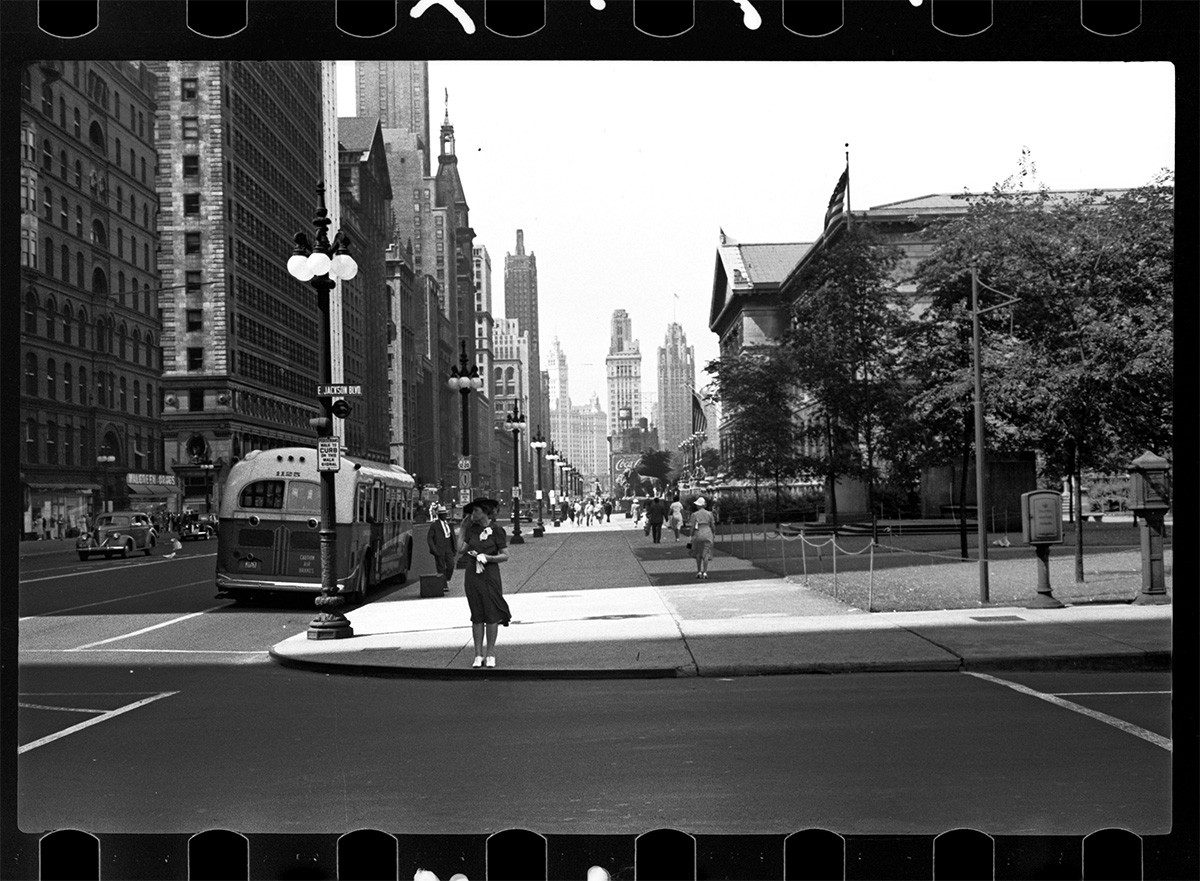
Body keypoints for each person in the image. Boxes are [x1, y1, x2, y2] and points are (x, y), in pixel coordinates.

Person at [455, 497, 511, 668]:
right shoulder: (471, 529)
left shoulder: (497, 530)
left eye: (476, 511)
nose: (473, 514)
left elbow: (505, 555)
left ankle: (491, 653)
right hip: (473, 574)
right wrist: (463, 529)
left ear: (485, 512)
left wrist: (489, 558)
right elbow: (460, 550)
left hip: (490, 574)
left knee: (491, 614)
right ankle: (478, 654)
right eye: (472, 511)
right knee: (477, 614)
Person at [426, 504, 457, 592]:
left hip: (448, 548)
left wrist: (454, 548)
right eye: (443, 514)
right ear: (439, 515)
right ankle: (444, 585)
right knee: (441, 567)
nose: (445, 516)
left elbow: (453, 537)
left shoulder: (449, 524)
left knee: (451, 565)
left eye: (445, 514)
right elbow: (429, 538)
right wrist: (434, 549)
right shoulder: (434, 525)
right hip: (439, 549)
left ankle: (445, 578)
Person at [688, 496, 717, 579]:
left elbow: (692, 527)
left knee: (698, 554)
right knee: (706, 554)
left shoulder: (694, 515)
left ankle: (699, 571)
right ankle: (705, 572)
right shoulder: (709, 514)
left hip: (698, 533)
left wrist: (690, 536)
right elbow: (713, 525)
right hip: (707, 533)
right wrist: (713, 533)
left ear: (698, 506)